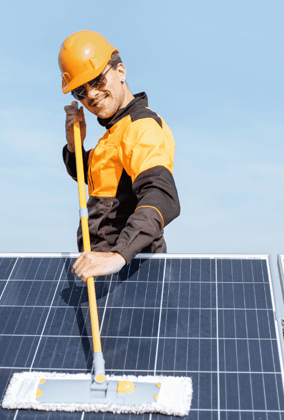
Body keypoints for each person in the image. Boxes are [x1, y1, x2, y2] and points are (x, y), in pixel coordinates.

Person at [59, 30, 180, 282]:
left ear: (121, 72)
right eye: (80, 91)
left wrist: (117, 256)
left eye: (97, 81)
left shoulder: (142, 128)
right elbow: (89, 175)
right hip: (106, 276)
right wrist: (74, 145)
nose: (90, 94)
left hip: (134, 276)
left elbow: (161, 196)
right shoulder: (113, 134)